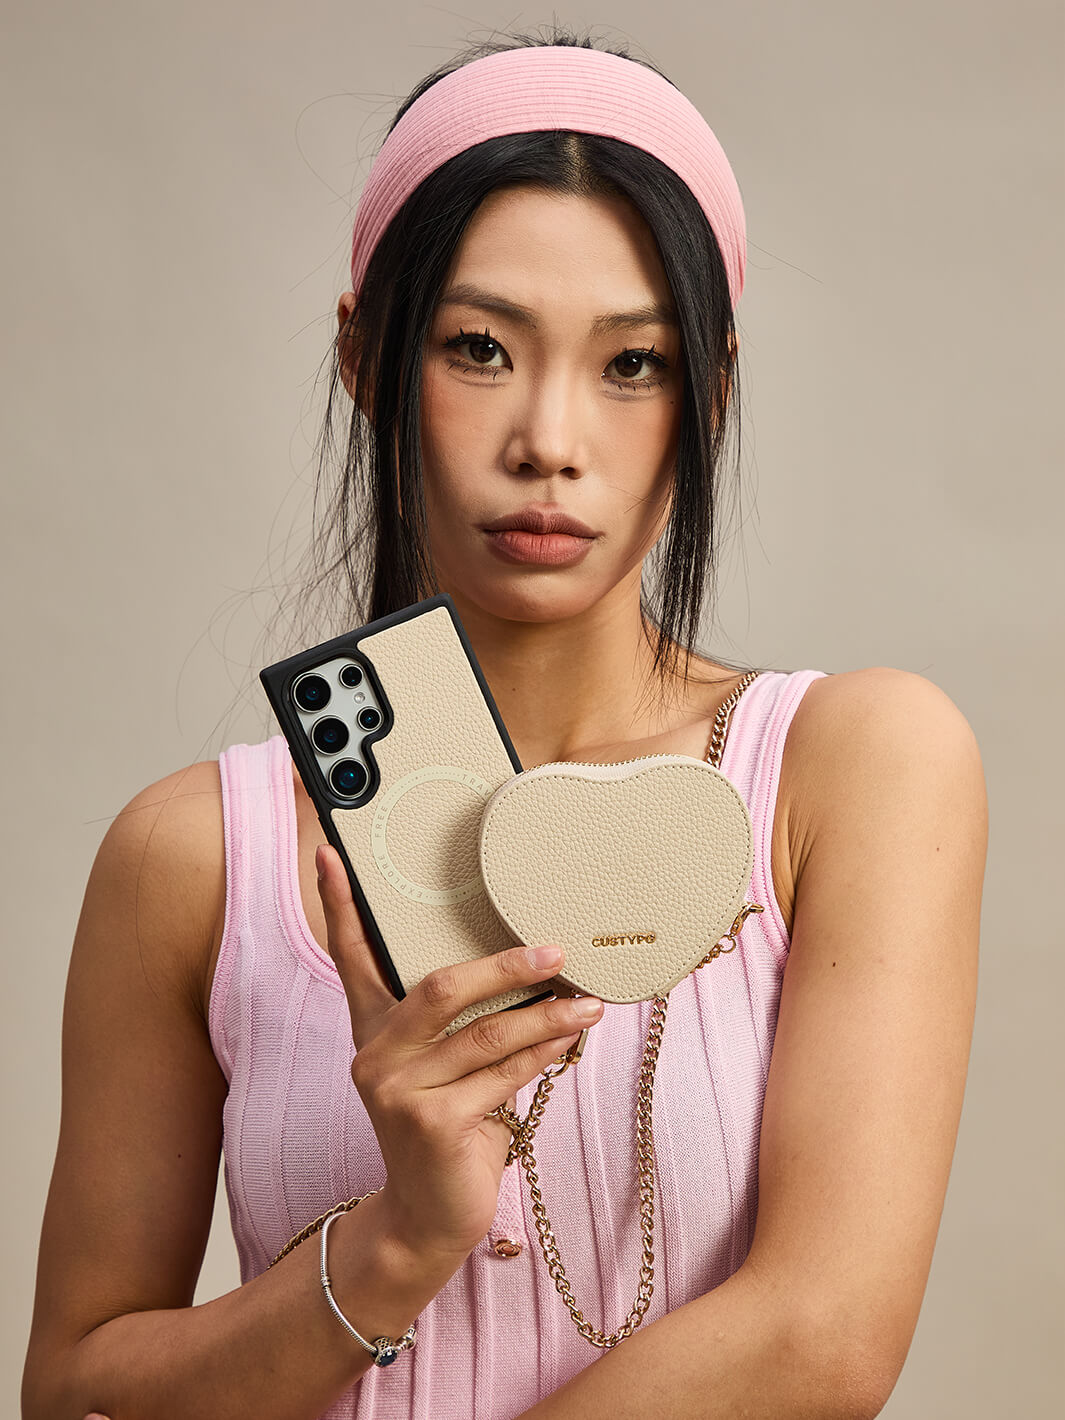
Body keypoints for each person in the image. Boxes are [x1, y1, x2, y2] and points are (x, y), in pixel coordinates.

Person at [21, 27, 987, 1420]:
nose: (549, 440)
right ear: (365, 356)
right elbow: (77, 1391)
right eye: (479, 348)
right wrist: (397, 1243)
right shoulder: (196, 859)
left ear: (710, 393)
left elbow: (820, 1338)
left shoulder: (849, 771)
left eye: (632, 364)